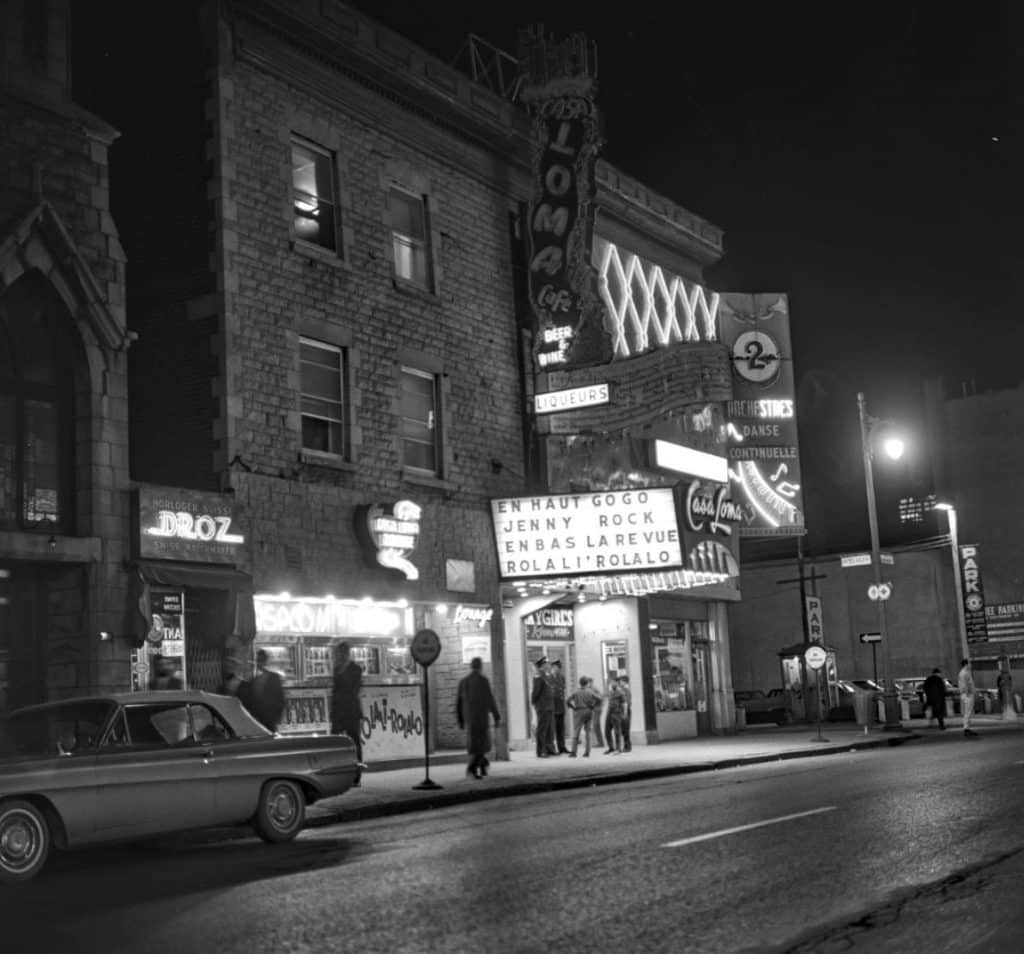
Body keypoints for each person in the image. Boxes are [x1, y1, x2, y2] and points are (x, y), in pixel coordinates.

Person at [456, 657, 501, 779]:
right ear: (480, 666)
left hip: (470, 720)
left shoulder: (463, 682)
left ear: (471, 666)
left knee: (476, 745)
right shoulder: (483, 681)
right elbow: (490, 700)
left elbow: (458, 703)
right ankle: (473, 767)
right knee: (482, 745)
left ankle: (482, 765)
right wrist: (496, 716)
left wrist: (460, 719)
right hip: (481, 719)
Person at [331, 642, 365, 785]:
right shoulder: (337, 669)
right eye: (339, 652)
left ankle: (357, 776)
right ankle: (337, 773)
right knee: (334, 743)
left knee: (355, 743)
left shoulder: (355, 669)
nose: (340, 655)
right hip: (339, 711)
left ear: (347, 653)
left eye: (342, 652)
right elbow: (335, 691)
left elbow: (354, 690)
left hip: (350, 710)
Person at [248, 649, 286, 732]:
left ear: (265, 661)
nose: (259, 663)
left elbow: (280, 699)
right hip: (257, 720)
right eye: (258, 660)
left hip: (270, 720)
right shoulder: (253, 680)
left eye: (261, 660)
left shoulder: (274, 678)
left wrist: (276, 718)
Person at [566, 676, 602, 757]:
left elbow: (567, 700)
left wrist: (572, 707)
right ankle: (587, 752)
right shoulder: (590, 692)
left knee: (576, 732)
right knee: (588, 732)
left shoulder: (576, 692)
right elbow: (599, 699)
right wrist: (593, 705)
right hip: (588, 711)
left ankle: (574, 752)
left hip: (578, 711)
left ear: (580, 683)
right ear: (587, 683)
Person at [531, 657, 555, 757]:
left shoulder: (546, 676)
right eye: (547, 664)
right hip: (543, 707)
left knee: (549, 729)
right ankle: (541, 751)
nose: (549, 665)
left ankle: (549, 749)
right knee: (542, 729)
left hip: (549, 706)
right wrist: (536, 705)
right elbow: (535, 692)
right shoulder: (539, 677)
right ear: (542, 665)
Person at [550, 659, 569, 754]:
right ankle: (551, 748)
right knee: (552, 729)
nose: (555, 669)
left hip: (560, 706)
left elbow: (563, 690)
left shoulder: (562, 677)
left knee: (561, 729)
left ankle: (562, 747)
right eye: (554, 667)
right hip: (553, 706)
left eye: (557, 667)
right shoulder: (549, 677)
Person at [604, 676, 627, 754]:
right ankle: (611, 747)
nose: (612, 683)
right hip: (609, 713)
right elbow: (606, 700)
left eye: (613, 682)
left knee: (617, 732)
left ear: (617, 683)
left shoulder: (620, 692)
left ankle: (618, 749)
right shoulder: (610, 692)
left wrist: (625, 714)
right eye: (611, 682)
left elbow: (624, 703)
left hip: (617, 713)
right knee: (607, 731)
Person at [958, 657, 978, 737]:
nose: (970, 665)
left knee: (968, 712)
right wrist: (968, 693)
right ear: (966, 664)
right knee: (968, 712)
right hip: (967, 694)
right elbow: (965, 684)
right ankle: (966, 729)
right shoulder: (964, 673)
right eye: (969, 663)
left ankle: (967, 728)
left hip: (967, 694)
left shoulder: (964, 672)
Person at [618, 674, 633, 751]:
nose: (619, 683)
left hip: (625, 711)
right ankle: (625, 746)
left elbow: (626, 703)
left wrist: (625, 713)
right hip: (621, 712)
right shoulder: (621, 690)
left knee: (626, 729)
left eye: (621, 681)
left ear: (625, 682)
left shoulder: (626, 691)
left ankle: (628, 747)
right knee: (623, 730)